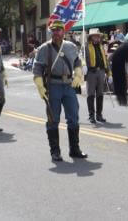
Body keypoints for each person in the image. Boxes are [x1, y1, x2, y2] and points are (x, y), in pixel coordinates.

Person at [32, 20, 87, 161]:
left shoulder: (71, 46)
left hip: (69, 85)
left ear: (64, 31)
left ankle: (74, 149)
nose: (56, 33)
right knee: (53, 119)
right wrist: (40, 85)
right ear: (51, 32)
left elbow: (77, 61)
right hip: (53, 85)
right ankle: (55, 151)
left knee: (73, 118)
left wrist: (78, 73)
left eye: (59, 30)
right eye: (54, 30)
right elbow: (37, 67)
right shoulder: (44, 48)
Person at [83, 28, 112, 123]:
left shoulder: (101, 47)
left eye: (98, 36)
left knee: (100, 94)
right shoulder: (86, 47)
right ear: (91, 37)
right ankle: (91, 116)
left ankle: (99, 115)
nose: (97, 37)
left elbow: (105, 60)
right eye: (95, 36)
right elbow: (82, 58)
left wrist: (109, 73)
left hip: (101, 72)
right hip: (91, 72)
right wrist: (84, 66)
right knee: (90, 94)